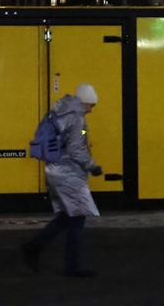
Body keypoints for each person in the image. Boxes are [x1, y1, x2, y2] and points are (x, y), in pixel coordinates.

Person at [22, 83, 104, 278]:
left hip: (55, 168)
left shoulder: (59, 111)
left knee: (68, 215)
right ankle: (71, 266)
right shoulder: (75, 118)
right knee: (77, 217)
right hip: (68, 172)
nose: (91, 110)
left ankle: (33, 247)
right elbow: (76, 149)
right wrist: (92, 166)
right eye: (91, 106)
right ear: (84, 102)